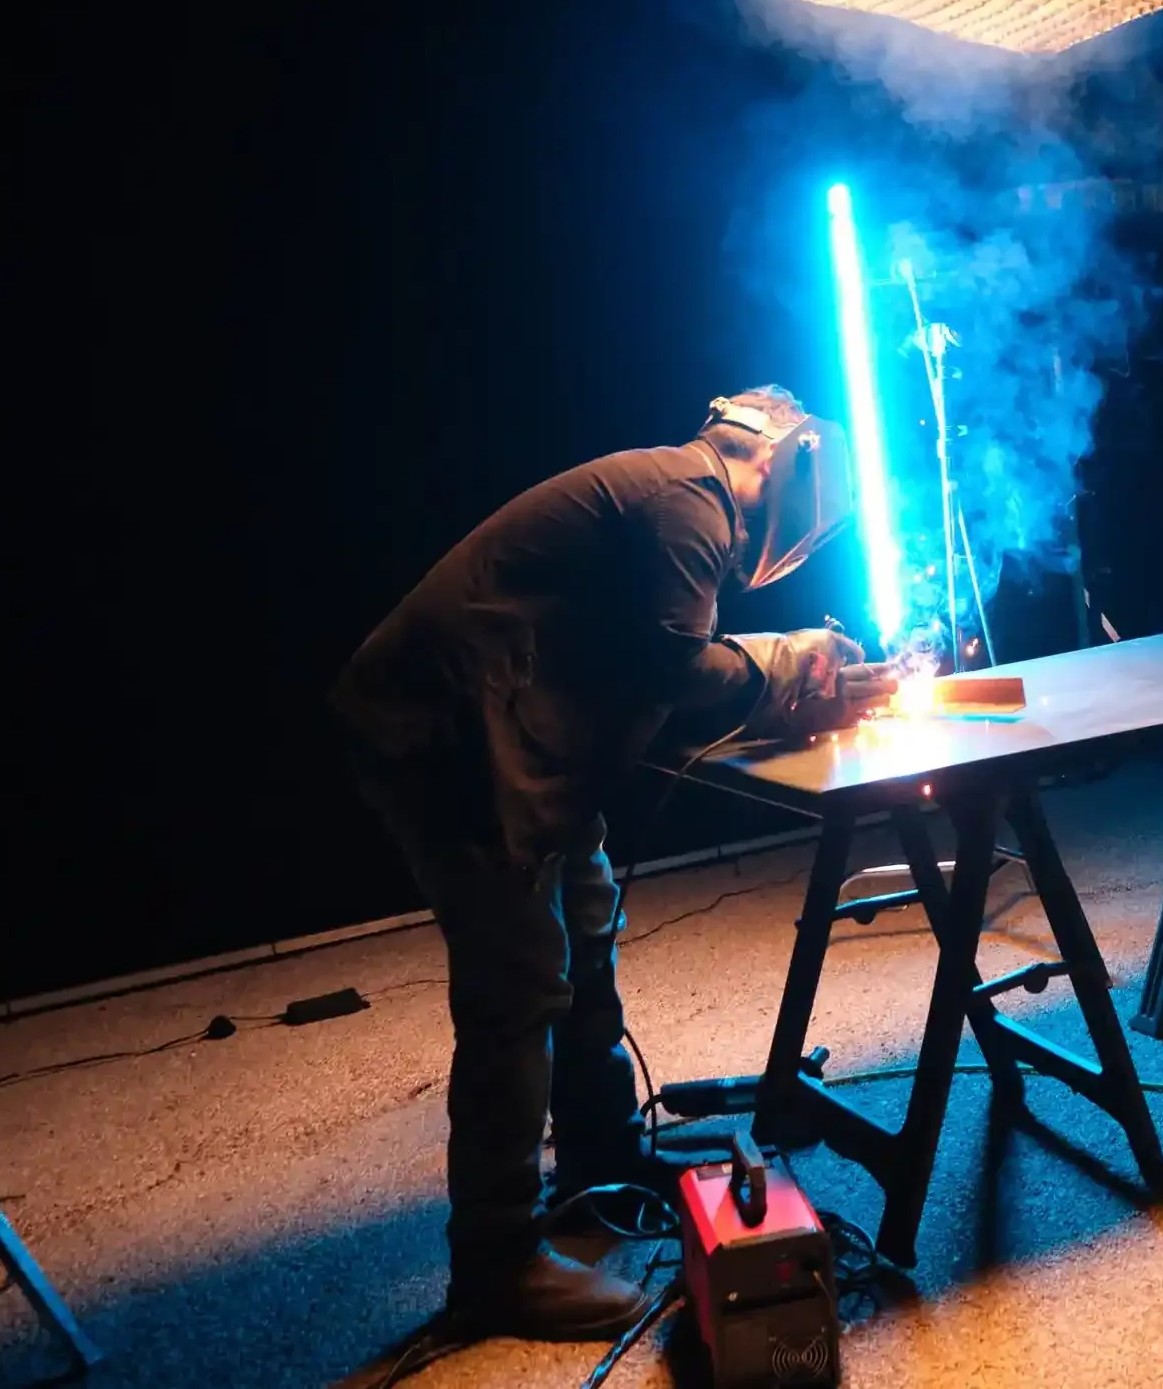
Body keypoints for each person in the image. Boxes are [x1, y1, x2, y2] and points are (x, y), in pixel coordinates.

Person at [331, 387, 892, 1340]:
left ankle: (601, 1153)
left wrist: (787, 684)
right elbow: (675, 668)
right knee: (518, 987)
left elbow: (632, 665)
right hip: (445, 734)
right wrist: (795, 660)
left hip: (510, 728)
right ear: (785, 460)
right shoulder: (691, 498)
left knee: (588, 923)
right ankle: (495, 1264)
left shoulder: (673, 498)